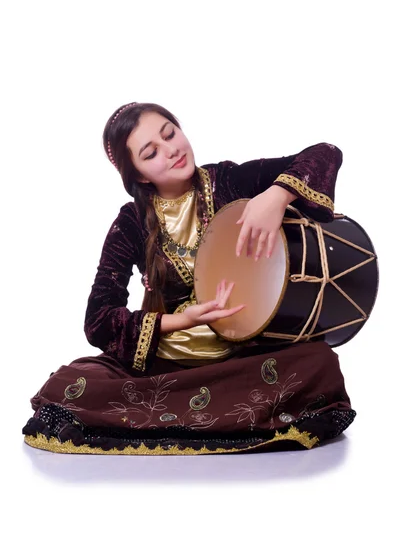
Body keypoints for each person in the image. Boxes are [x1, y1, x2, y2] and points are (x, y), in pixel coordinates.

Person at [23, 102, 355, 455]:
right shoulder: (132, 222)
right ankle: (227, 417)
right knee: (69, 384)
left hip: (242, 358)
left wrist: (276, 196)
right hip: (169, 366)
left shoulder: (226, 181)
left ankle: (181, 418)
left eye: (170, 133)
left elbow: (325, 153)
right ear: (139, 175)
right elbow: (98, 321)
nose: (171, 150)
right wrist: (180, 320)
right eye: (151, 153)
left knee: (320, 363)